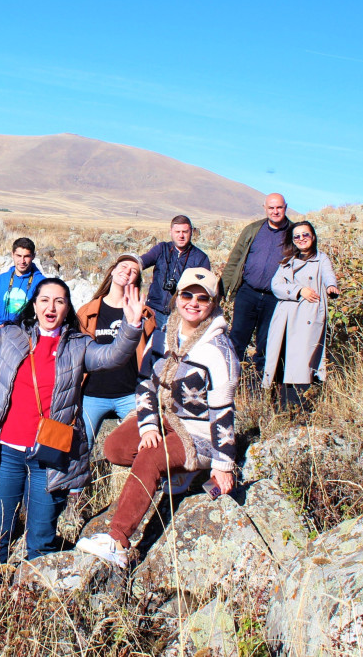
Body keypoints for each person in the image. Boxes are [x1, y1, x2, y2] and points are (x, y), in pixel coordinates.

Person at [0, 269, 144, 564]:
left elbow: (113, 356)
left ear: (67, 309)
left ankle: (35, 585)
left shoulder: (79, 345)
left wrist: (131, 325)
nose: (51, 307)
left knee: (41, 537)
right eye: (44, 300)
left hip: (50, 454)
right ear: (34, 305)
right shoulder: (11, 336)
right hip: (7, 451)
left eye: (59, 301)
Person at [76, 267, 239, 567]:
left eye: (203, 298)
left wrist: (223, 465)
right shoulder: (163, 335)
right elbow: (145, 384)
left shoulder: (219, 350)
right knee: (115, 447)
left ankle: (117, 541)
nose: (193, 303)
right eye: (187, 295)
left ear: (213, 303)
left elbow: (223, 412)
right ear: (177, 298)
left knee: (150, 457)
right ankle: (175, 472)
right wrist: (149, 425)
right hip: (167, 419)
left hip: (199, 436)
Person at [77, 254, 157, 445]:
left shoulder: (145, 314)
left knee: (145, 444)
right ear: (112, 271)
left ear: (136, 280)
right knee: (79, 449)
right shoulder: (86, 312)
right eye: (123, 266)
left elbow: (152, 355)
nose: (127, 271)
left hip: (131, 394)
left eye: (134, 271)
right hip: (92, 394)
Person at [263, 222, 340, 410]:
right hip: (285, 317)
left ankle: (301, 407)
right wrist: (299, 290)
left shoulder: (321, 259)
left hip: (308, 316)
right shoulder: (287, 262)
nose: (301, 239)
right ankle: (282, 407)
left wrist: (331, 287)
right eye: (297, 236)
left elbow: (329, 276)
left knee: (302, 362)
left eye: (305, 234)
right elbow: (276, 286)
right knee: (283, 359)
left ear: (313, 236)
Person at [221, 193, 292, 377]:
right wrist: (222, 289)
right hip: (248, 293)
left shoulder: (294, 233)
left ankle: (261, 383)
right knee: (237, 339)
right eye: (271, 208)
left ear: (285, 207)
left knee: (266, 343)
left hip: (275, 298)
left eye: (279, 207)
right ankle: (230, 380)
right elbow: (234, 260)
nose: (275, 211)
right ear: (265, 208)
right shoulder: (253, 230)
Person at [139, 215, 211, 350]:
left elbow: (204, 289)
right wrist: (128, 263)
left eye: (185, 232)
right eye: (177, 232)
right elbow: (142, 261)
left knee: (173, 351)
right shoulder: (161, 249)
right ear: (171, 232)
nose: (181, 236)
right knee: (146, 350)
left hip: (180, 315)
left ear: (191, 232)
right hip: (154, 310)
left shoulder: (201, 258)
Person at [0, 237, 43, 328]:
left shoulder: (42, 283)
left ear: (33, 256)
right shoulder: (1, 280)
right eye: (18, 256)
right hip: (1, 332)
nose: (22, 261)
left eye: (26, 256)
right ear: (12, 255)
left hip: (27, 334)